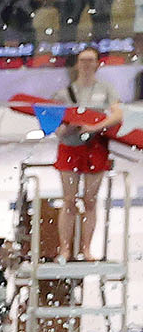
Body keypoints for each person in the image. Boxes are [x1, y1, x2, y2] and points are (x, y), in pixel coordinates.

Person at [51, 50, 121, 259]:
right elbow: (55, 125)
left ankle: (86, 248)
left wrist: (95, 126)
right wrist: (67, 129)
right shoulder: (64, 93)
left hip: (96, 146)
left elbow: (117, 114)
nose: (87, 64)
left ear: (98, 64)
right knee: (69, 200)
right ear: (76, 64)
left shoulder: (106, 90)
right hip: (70, 146)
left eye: (91, 60)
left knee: (90, 200)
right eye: (83, 60)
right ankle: (64, 248)